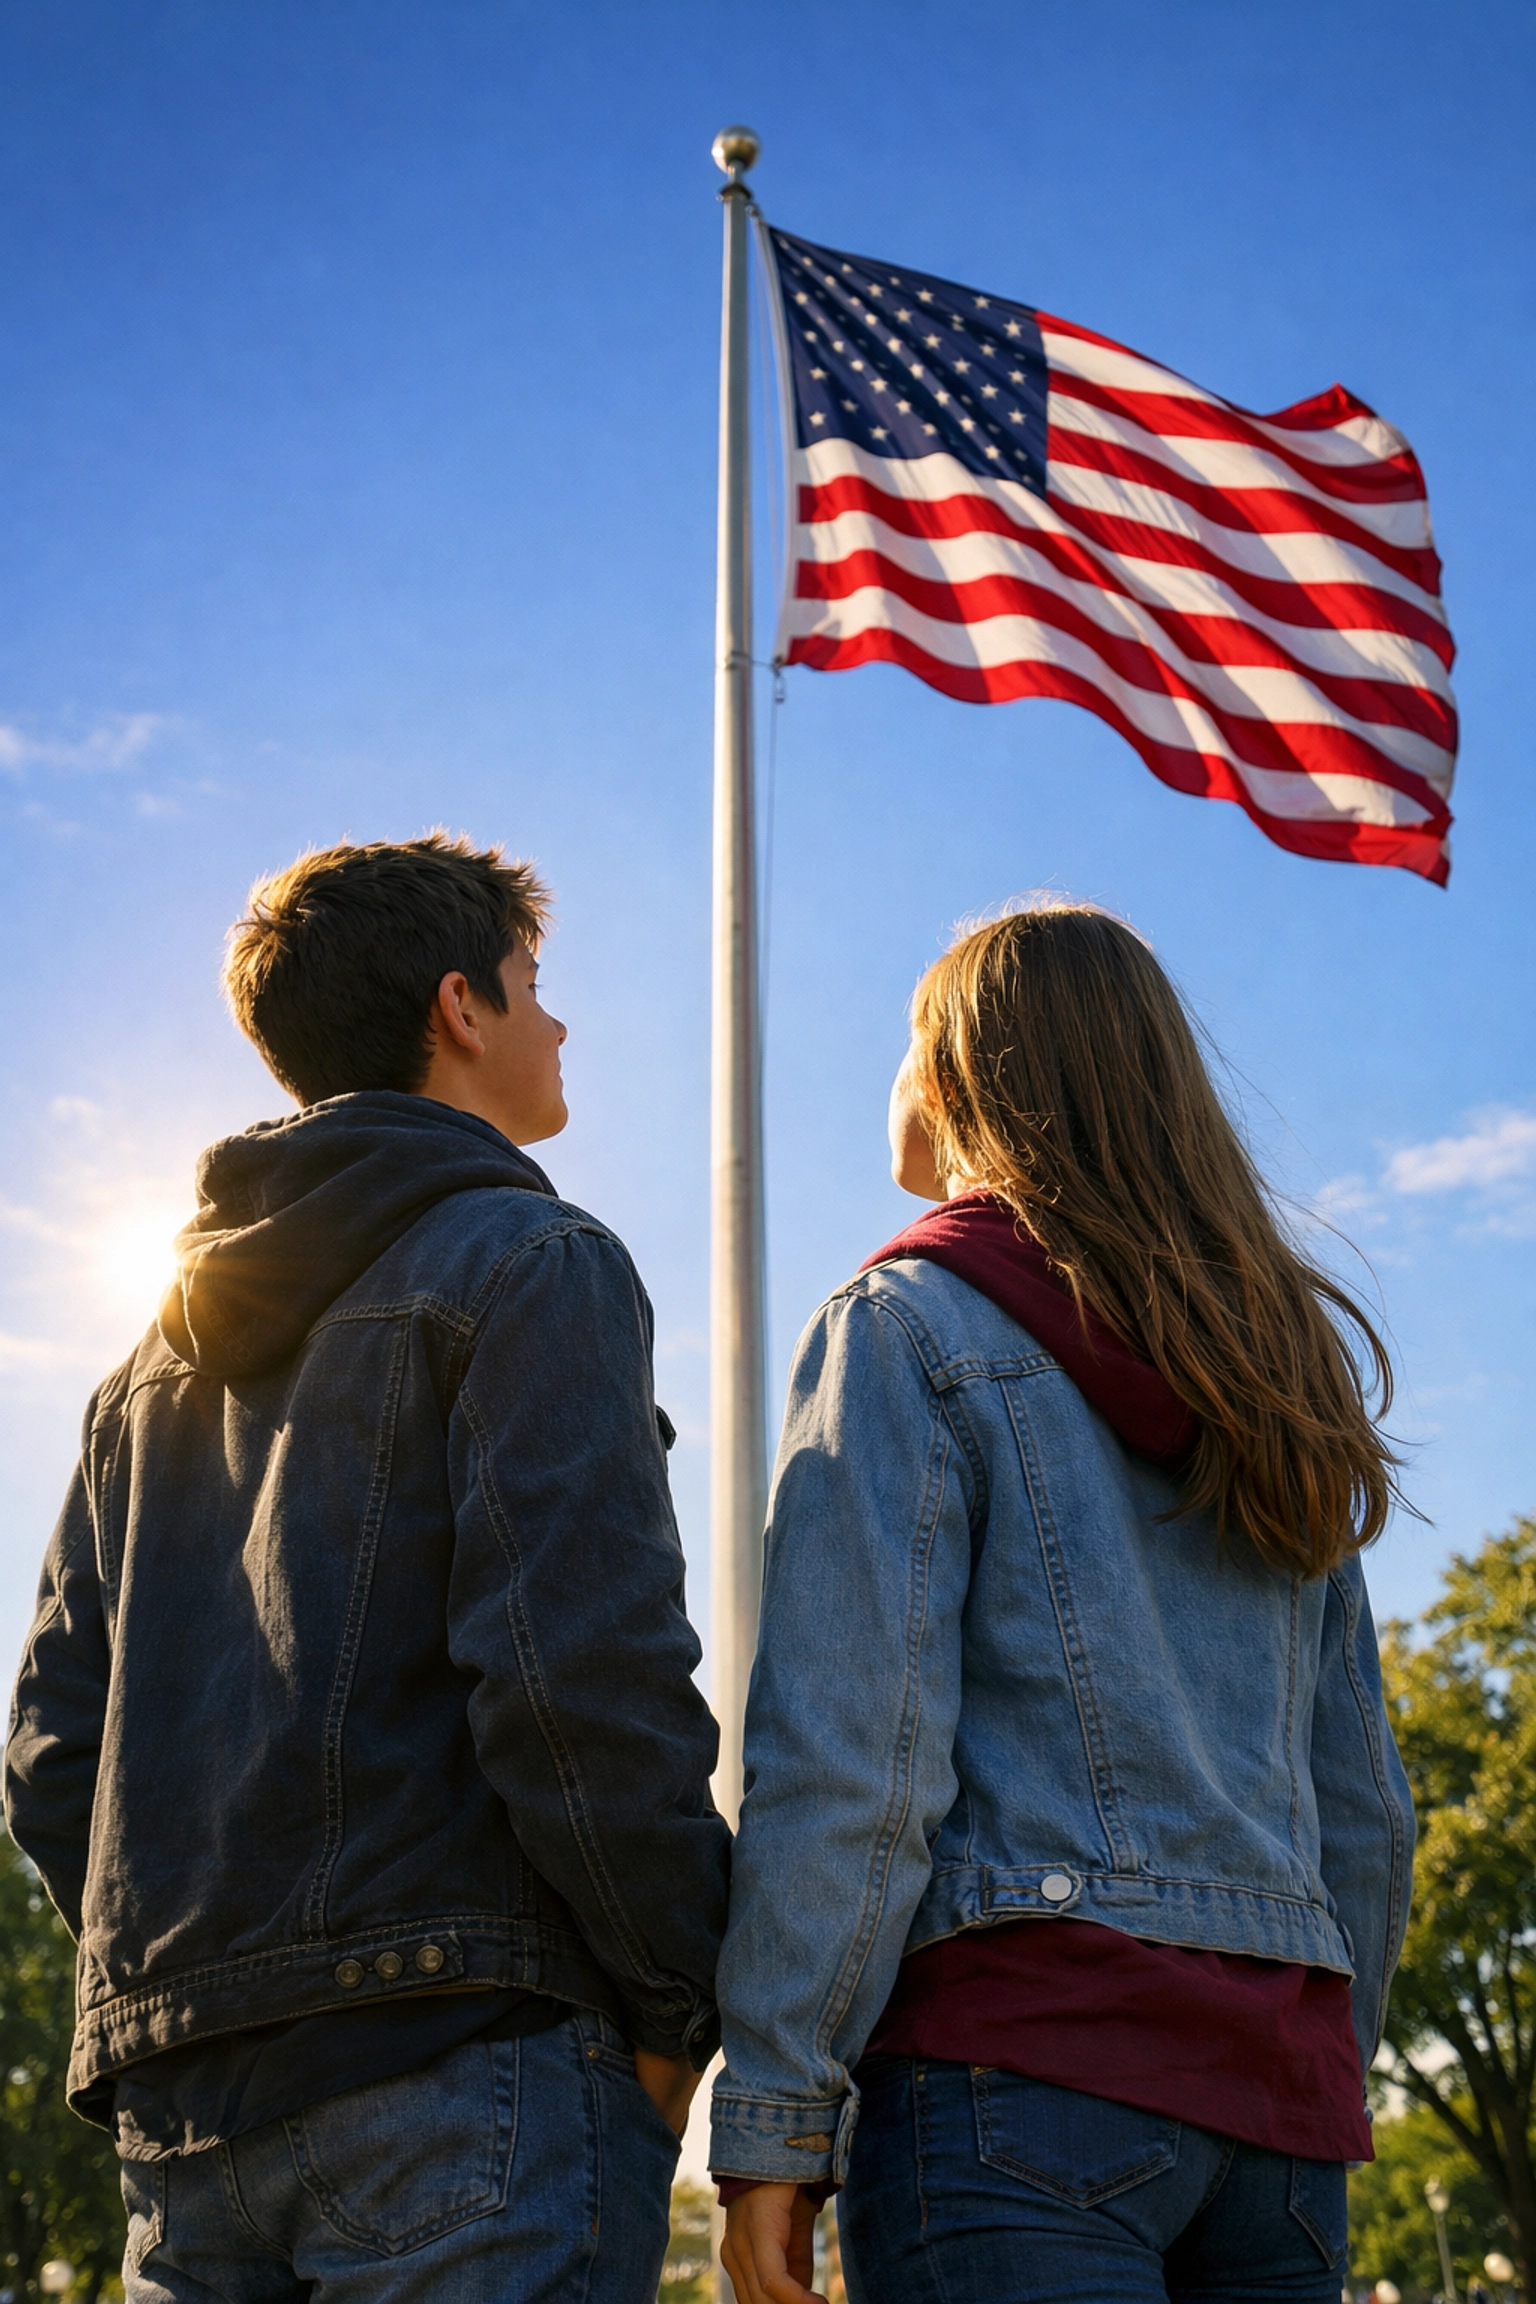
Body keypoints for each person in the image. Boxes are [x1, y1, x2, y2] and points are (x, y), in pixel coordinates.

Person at [6, 835, 730, 2304]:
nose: (560, 1021)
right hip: (472, 2084)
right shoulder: (534, 1261)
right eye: (537, 986)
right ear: (461, 1008)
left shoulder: (140, 1371)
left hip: (187, 2140)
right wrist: (683, 1998)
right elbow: (580, 1679)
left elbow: (47, 1760)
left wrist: (203, 1979)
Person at [712, 903, 1414, 2304]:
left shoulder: (905, 1327)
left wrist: (777, 2118)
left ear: (960, 1081)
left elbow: (854, 1759)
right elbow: (1368, 1809)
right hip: (1277, 2137)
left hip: (1011, 2090)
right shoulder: (1275, 1374)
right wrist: (1309, 2056)